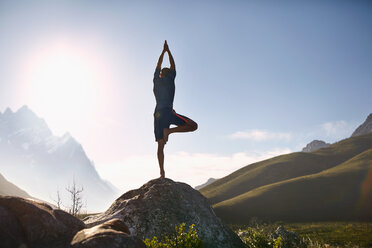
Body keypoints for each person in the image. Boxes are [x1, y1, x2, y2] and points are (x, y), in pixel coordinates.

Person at [153, 40, 198, 178]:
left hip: (158, 115)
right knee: (193, 125)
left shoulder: (156, 80)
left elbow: (158, 65)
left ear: (160, 74)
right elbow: (173, 65)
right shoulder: (171, 80)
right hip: (168, 112)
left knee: (160, 146)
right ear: (169, 75)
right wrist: (168, 51)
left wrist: (162, 52)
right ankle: (170, 131)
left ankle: (162, 173)